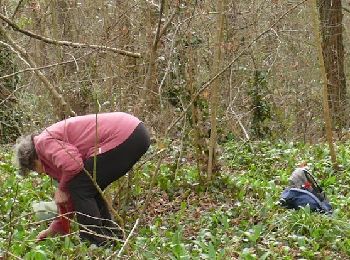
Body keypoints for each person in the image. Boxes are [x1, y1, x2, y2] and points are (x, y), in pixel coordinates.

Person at [14, 112, 150, 246]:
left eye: (33, 169)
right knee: (87, 187)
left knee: (81, 186)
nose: (38, 173)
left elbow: (73, 165)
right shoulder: (47, 148)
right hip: (135, 133)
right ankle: (111, 237)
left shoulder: (43, 143)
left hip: (126, 135)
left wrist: (61, 189)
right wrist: (55, 228)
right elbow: (73, 196)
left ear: (32, 160)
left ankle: (94, 242)